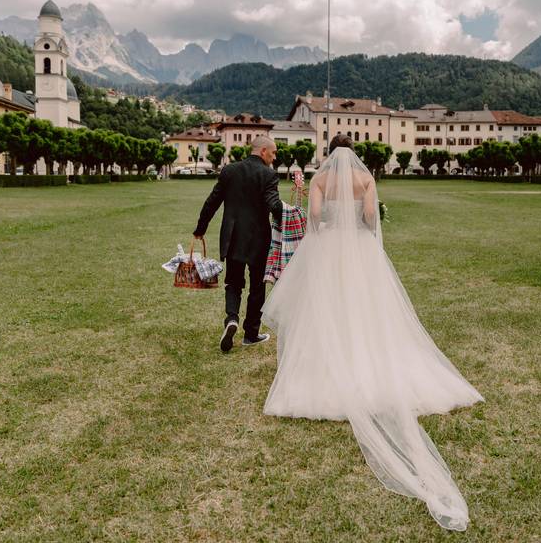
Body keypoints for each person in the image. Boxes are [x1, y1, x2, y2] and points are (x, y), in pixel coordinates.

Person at [261, 134, 483, 530]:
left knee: (327, 309)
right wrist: (360, 218)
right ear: (355, 153)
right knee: (366, 308)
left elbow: (313, 218)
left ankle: (327, 366)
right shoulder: (365, 180)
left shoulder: (319, 180)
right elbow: (369, 219)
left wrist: (329, 224)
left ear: (330, 153)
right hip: (360, 250)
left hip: (328, 248)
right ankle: (368, 361)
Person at [194, 136, 283, 352]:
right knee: (257, 287)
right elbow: (274, 206)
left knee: (233, 282)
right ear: (263, 151)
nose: (274, 157)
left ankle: (231, 318)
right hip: (259, 239)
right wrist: (291, 216)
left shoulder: (229, 170)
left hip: (232, 236)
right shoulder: (268, 174)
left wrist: (200, 228)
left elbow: (212, 201)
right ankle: (251, 334)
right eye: (273, 153)